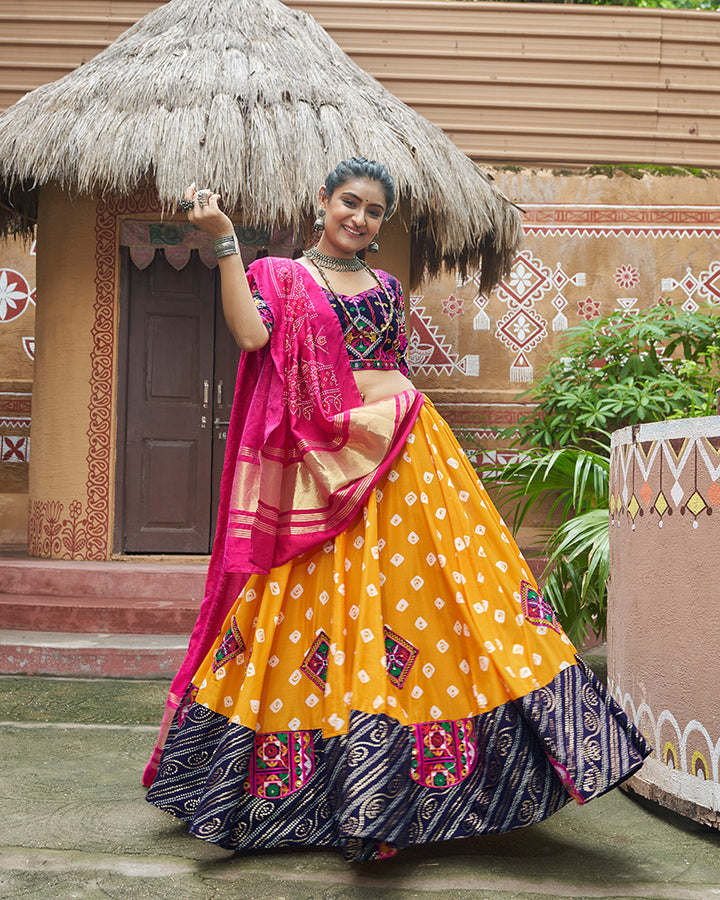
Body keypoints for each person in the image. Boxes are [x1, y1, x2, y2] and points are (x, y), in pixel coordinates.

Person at [144, 158, 650, 862]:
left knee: (437, 603)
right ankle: (313, 792)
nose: (359, 218)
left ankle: (414, 789)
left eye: (373, 211)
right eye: (349, 202)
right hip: (320, 466)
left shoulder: (385, 286)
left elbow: (389, 365)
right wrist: (225, 239)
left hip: (402, 460)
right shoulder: (279, 277)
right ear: (322, 201)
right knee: (310, 612)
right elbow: (253, 337)